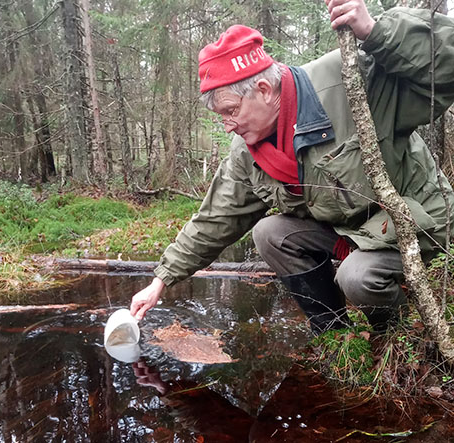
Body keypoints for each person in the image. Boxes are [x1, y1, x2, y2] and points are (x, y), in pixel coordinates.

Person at [131, 0, 454, 334]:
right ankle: (334, 334)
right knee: (269, 233)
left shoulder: (347, 79)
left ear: (263, 89)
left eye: (231, 111)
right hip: (352, 232)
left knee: (356, 275)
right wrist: (160, 280)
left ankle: (396, 336)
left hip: (416, 222)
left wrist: (376, 32)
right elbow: (215, 218)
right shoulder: (249, 150)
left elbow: (447, 65)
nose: (227, 125)